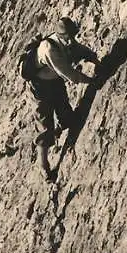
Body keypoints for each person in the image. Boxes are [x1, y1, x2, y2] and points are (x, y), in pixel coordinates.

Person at [29, 16, 100, 181]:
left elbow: (80, 50)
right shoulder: (49, 49)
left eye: (72, 36)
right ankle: (44, 167)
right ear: (60, 35)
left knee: (68, 117)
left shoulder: (67, 41)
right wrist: (91, 81)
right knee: (45, 127)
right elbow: (70, 75)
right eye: (68, 37)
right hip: (40, 88)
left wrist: (96, 60)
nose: (71, 40)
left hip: (54, 81)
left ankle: (61, 126)